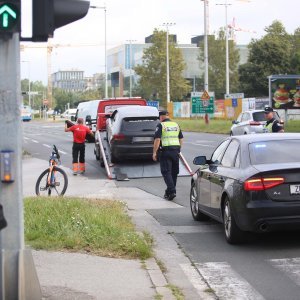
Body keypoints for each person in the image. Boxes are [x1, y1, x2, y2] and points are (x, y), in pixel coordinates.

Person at [153, 110, 183, 201]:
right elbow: (181, 139)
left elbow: (157, 140)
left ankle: (172, 190)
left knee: (166, 172)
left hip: (165, 152)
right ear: (168, 116)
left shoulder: (161, 125)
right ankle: (170, 192)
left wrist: (154, 152)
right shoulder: (176, 125)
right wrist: (178, 150)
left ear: (161, 117)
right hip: (175, 151)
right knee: (174, 172)